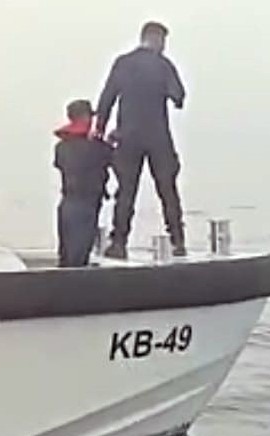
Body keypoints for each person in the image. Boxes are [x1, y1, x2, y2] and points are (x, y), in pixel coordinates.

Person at [95, 20, 187, 259]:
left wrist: (100, 128)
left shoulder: (123, 63)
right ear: (156, 39)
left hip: (128, 136)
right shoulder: (163, 65)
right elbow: (178, 96)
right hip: (158, 136)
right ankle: (178, 241)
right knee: (167, 190)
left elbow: (107, 97)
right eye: (163, 42)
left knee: (126, 191)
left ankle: (118, 243)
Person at [53, 99, 113, 267]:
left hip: (67, 204)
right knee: (79, 258)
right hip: (87, 205)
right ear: (85, 118)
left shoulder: (61, 147)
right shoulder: (96, 147)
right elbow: (113, 158)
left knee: (66, 257)